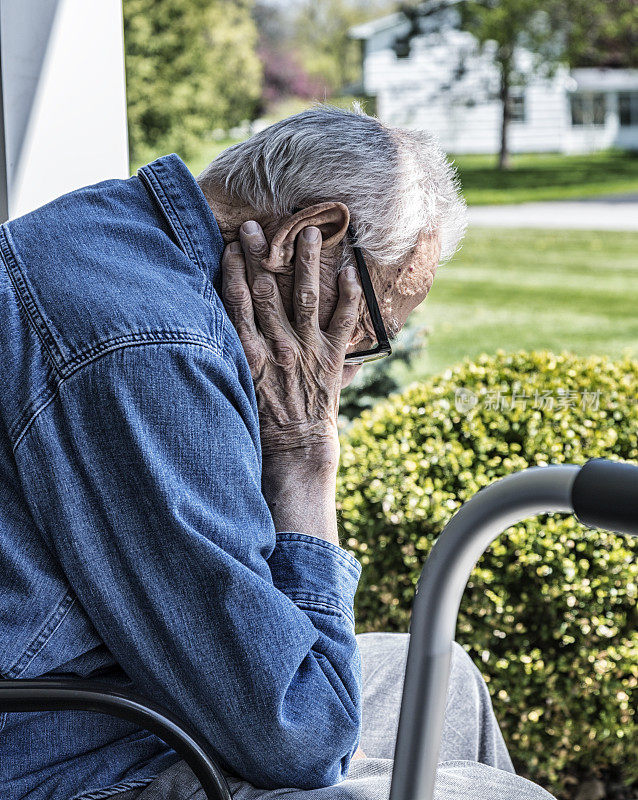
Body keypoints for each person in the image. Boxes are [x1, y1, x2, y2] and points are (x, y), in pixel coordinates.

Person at [0, 104, 554, 800]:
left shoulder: (117, 229)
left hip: (107, 703)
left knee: (441, 679)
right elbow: (298, 735)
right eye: (371, 329)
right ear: (310, 237)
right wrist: (303, 456)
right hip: (64, 760)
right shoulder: (155, 353)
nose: (348, 368)